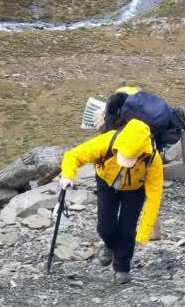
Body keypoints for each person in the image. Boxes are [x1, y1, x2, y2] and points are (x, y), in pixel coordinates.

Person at [58, 118, 163, 285]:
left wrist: (143, 233)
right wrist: (68, 175)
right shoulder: (107, 141)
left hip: (135, 190)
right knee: (105, 226)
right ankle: (109, 244)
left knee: (127, 229)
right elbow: (73, 155)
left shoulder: (152, 159)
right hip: (106, 183)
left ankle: (122, 269)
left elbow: (154, 196)